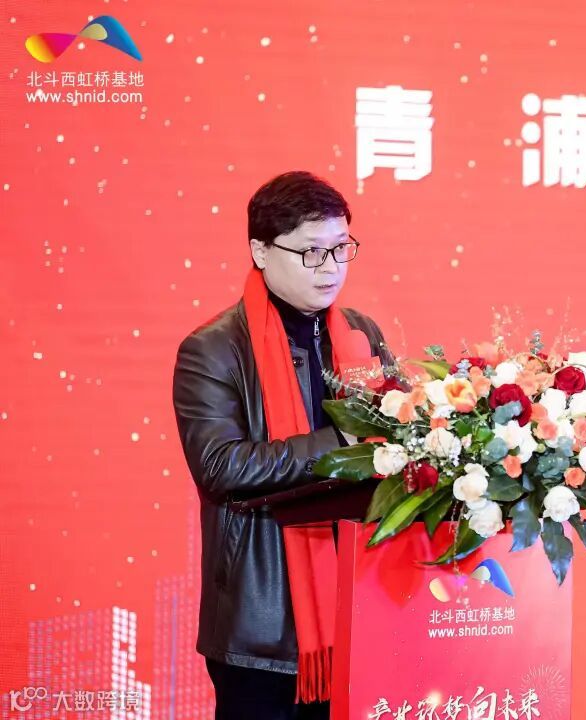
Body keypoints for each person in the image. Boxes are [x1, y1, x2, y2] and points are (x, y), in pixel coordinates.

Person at [172, 171, 394, 719]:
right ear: (261, 251)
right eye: (312, 252)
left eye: (341, 248)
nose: (331, 267)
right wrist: (341, 442)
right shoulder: (213, 349)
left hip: (360, 601)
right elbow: (220, 466)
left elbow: (396, 429)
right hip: (262, 619)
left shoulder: (361, 333)